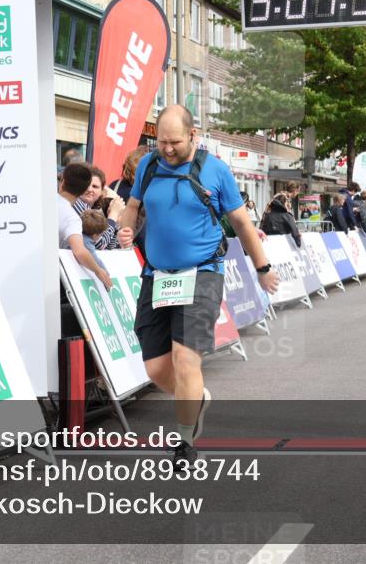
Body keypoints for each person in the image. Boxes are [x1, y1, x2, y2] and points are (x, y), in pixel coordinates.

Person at [116, 106, 279, 470]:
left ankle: (184, 443)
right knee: (156, 369)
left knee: (185, 359)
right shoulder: (149, 165)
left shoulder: (215, 170)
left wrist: (262, 268)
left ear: (193, 136)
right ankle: (194, 397)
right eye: (161, 142)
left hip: (203, 273)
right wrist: (127, 228)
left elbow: (241, 223)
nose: (167, 149)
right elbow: (133, 206)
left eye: (174, 142)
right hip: (157, 275)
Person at [58, 163, 112, 289]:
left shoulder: (44, 201)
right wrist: (98, 270)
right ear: (83, 191)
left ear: (62, 181)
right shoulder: (72, 218)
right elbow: (80, 251)